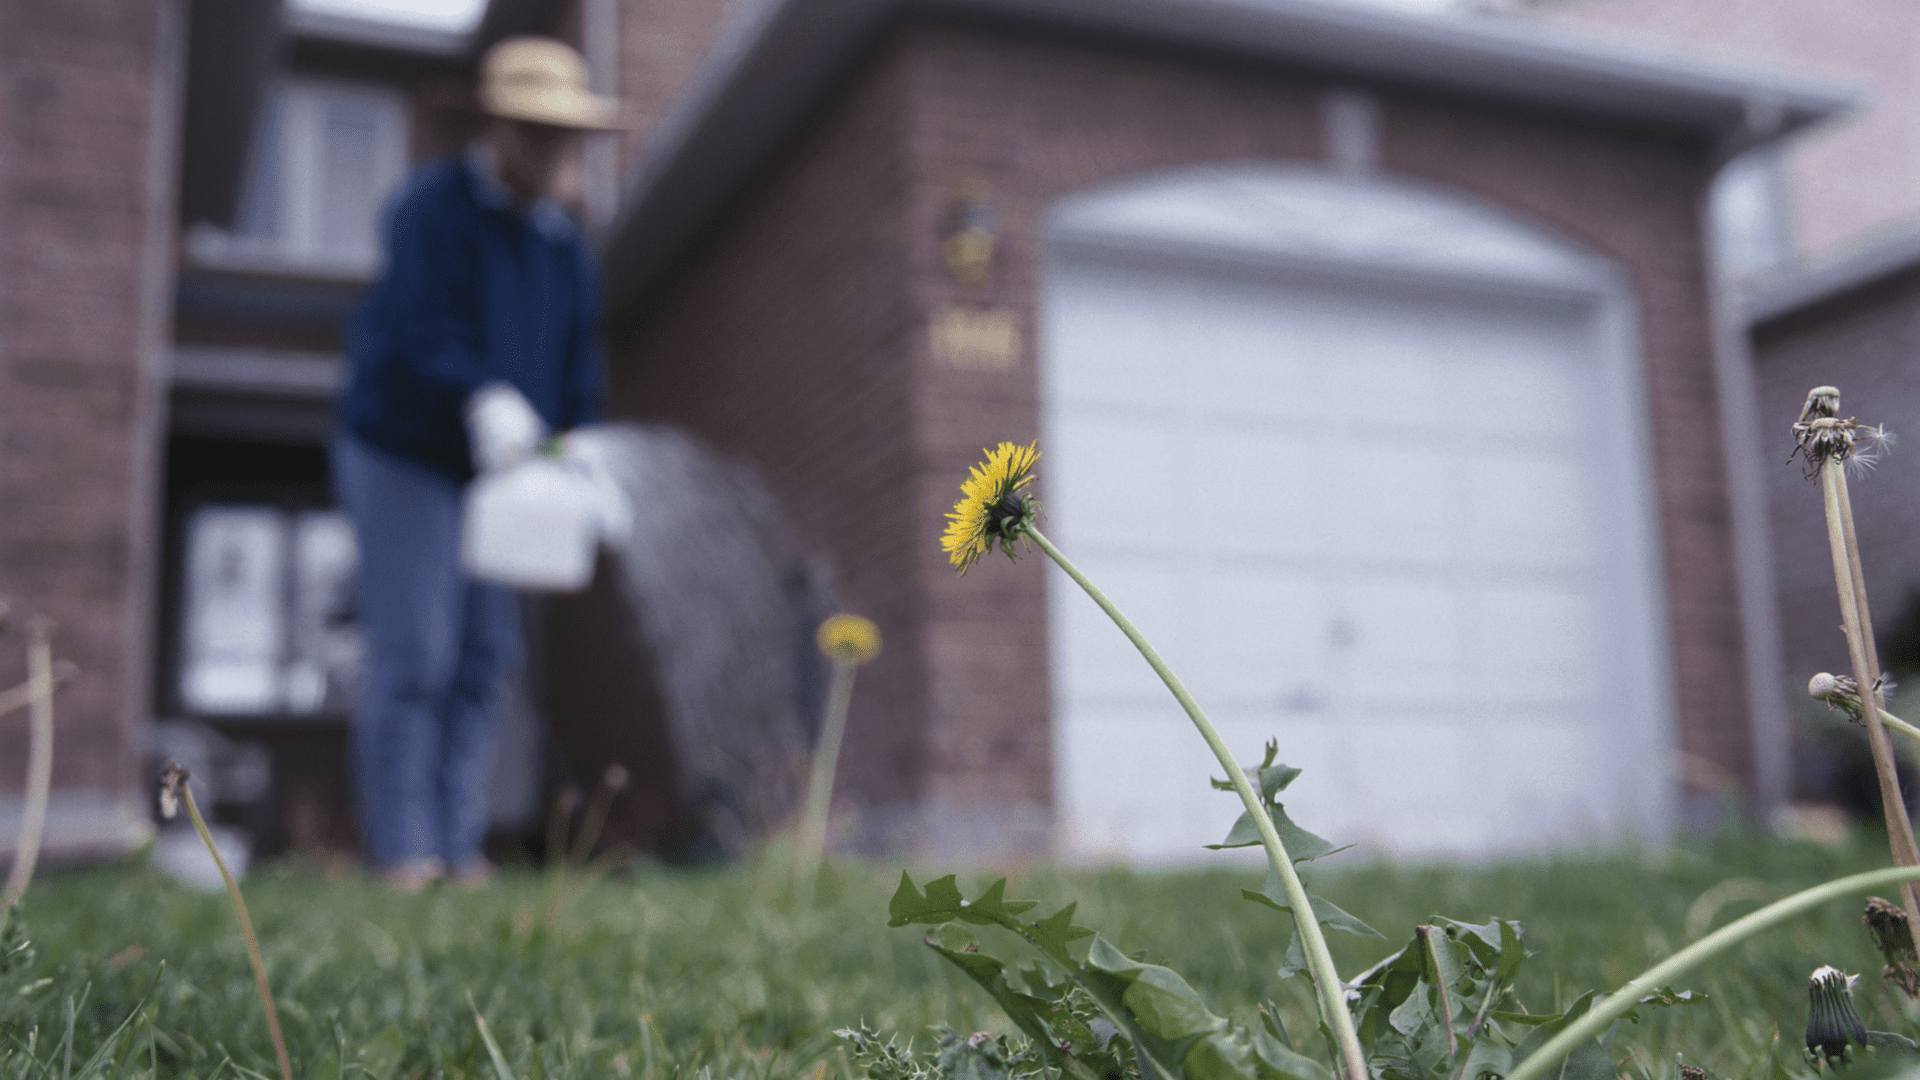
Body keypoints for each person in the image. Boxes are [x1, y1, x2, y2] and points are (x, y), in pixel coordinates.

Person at [333, 36, 618, 890]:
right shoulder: (430, 208)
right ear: (493, 127)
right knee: (417, 650)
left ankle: (459, 851)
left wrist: (581, 456)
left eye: (560, 134)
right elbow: (419, 330)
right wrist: (480, 394)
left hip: (503, 477)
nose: (546, 149)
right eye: (530, 130)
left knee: (485, 659)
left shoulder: (566, 250)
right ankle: (402, 852)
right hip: (404, 451)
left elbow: (578, 375)